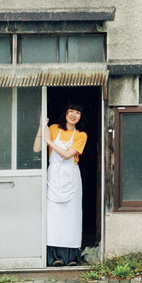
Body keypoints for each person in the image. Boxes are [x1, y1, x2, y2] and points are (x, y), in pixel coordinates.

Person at [34, 104, 87, 266]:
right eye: (71, 111)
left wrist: (49, 141)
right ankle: (55, 257)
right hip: (54, 177)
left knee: (72, 216)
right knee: (53, 217)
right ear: (65, 113)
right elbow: (36, 148)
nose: (74, 115)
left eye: (77, 112)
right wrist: (41, 126)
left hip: (71, 177)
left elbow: (66, 155)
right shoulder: (54, 128)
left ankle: (71, 257)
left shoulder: (81, 135)